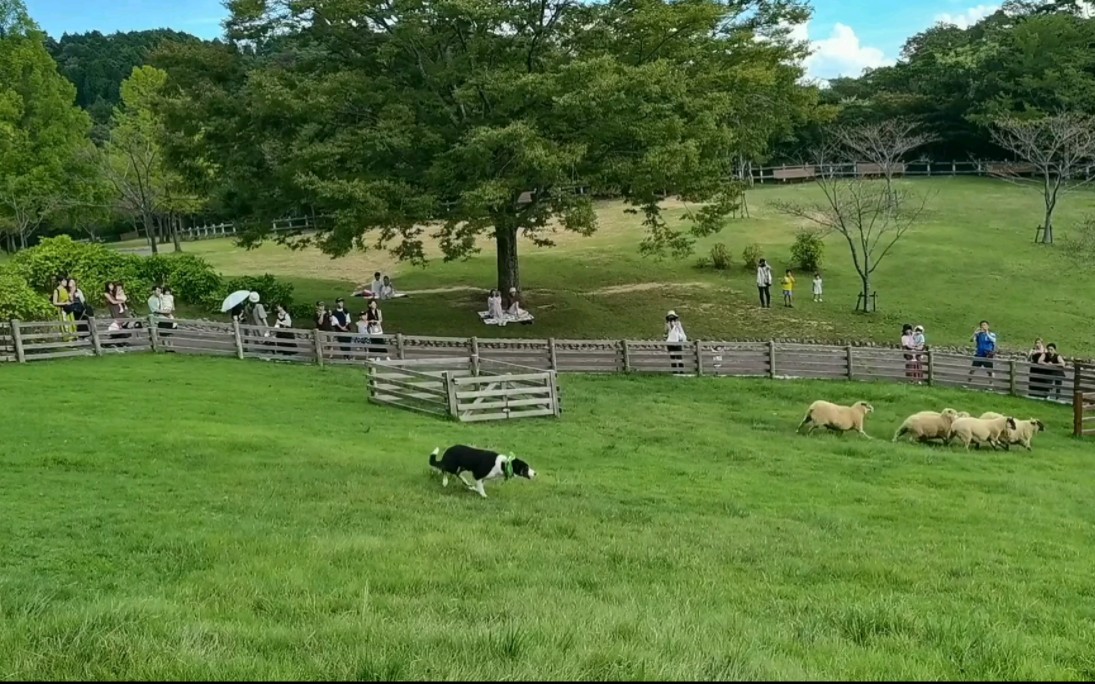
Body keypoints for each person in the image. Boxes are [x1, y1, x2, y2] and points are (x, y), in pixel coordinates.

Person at [51, 276, 76, 341]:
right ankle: (67, 338)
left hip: (69, 309)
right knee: (65, 323)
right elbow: (55, 302)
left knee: (71, 322)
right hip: (62, 310)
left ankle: (73, 337)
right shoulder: (57, 290)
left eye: (65, 281)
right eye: (63, 281)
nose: (65, 282)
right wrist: (64, 303)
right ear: (60, 282)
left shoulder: (66, 289)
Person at [665, 310, 688, 374]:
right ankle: (674, 371)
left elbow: (681, 331)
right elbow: (666, 333)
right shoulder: (667, 325)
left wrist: (683, 338)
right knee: (672, 357)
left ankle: (681, 371)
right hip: (670, 343)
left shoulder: (678, 323)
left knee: (679, 356)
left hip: (677, 342)